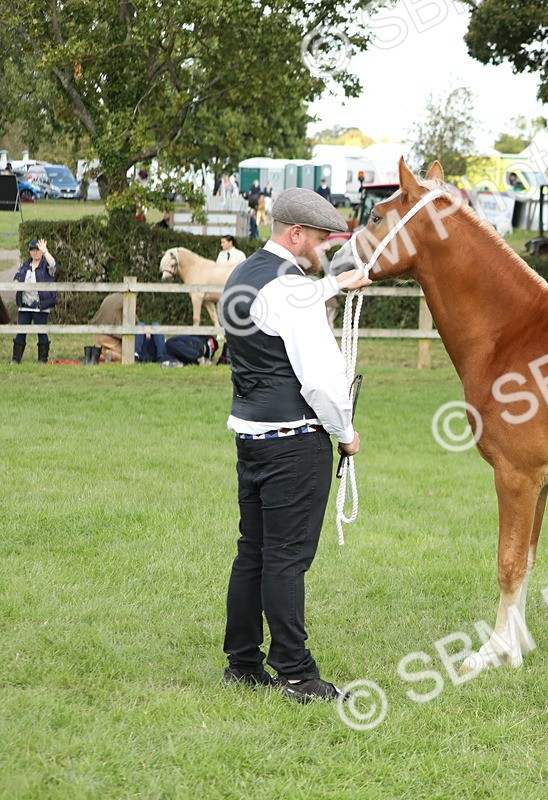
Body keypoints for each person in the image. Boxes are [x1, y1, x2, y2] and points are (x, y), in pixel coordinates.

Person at [218, 187, 371, 703]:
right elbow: (322, 382)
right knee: (287, 559)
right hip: (295, 441)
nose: (325, 248)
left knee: (254, 552)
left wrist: (332, 285)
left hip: (252, 434)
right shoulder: (293, 288)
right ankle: (297, 675)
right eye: (323, 240)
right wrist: (345, 435)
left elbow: (281, 308)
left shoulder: (244, 275)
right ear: (297, 234)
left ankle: (242, 663)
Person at [11, 238, 57, 364]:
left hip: (41, 306)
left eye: (37, 250)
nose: (35, 252)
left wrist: (46, 251)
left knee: (41, 332)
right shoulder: (25, 265)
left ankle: (42, 360)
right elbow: (18, 277)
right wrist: (16, 282)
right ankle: (15, 359)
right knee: (21, 332)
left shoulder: (46, 265)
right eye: (33, 250)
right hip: (25, 305)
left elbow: (53, 265)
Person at [90, 292, 126, 361]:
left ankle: (98, 354)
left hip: (98, 331)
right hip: (109, 335)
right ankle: (111, 355)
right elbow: (132, 319)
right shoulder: (127, 299)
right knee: (125, 354)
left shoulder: (108, 297)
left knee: (104, 349)